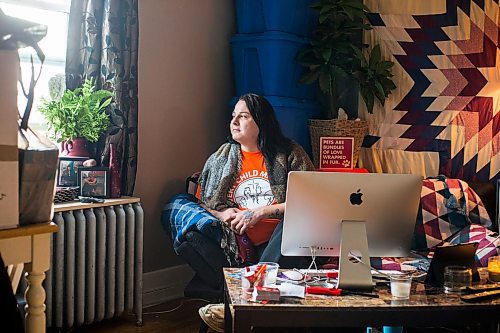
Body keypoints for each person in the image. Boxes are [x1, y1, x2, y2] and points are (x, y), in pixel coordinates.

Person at [162, 93, 314, 332]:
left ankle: (243, 303)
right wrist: (222, 215)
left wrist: (262, 212)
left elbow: (310, 201)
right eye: (233, 116)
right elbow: (202, 203)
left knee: (293, 224)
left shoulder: (290, 153)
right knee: (185, 220)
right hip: (234, 243)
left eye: (243, 116)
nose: (234, 122)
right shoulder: (221, 157)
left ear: (261, 122)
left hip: (277, 241)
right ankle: (251, 302)